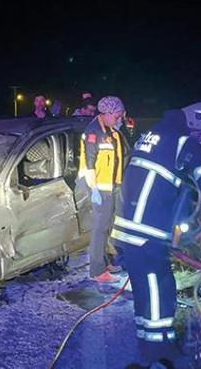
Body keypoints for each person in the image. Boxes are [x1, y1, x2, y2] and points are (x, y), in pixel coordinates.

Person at [112, 102, 201, 367]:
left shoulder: (158, 133)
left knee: (158, 287)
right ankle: (154, 354)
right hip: (144, 231)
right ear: (197, 121)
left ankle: (160, 344)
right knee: (155, 290)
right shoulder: (182, 138)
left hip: (134, 229)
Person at [78, 96, 126, 282]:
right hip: (100, 188)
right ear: (106, 113)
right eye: (117, 116)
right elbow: (89, 163)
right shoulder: (93, 132)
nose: (120, 119)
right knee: (99, 229)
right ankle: (97, 271)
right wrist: (95, 189)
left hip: (112, 186)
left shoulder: (110, 130)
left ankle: (105, 261)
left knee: (106, 228)